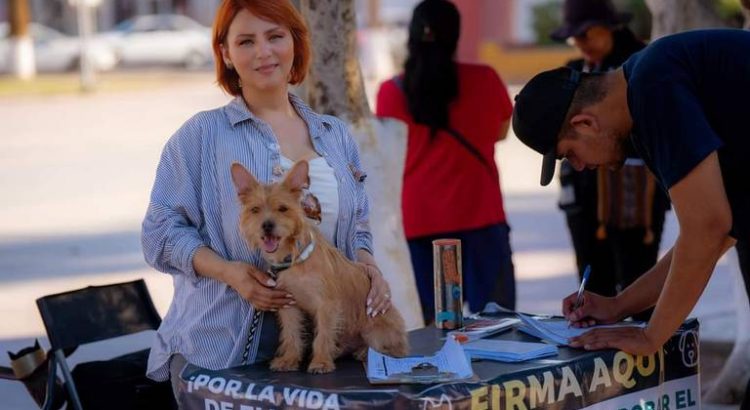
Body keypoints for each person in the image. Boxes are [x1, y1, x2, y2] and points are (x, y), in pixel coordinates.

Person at [141, 0, 392, 395]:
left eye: (275, 36)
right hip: (225, 352)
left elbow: (356, 224)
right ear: (225, 52)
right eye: (245, 41)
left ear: (295, 41)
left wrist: (368, 267)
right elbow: (159, 234)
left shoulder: (335, 134)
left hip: (331, 353)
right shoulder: (201, 136)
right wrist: (230, 272)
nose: (263, 52)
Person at [512, 29, 750, 406]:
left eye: (570, 154)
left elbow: (707, 229)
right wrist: (619, 306)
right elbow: (714, 231)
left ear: (585, 124)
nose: (580, 166)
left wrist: (651, 335)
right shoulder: (646, 93)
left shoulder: (654, 88)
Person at [376, 0, 515, 324]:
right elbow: (501, 133)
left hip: (420, 223)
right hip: (481, 218)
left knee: (428, 332)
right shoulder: (485, 79)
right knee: (497, 325)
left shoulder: (390, 92)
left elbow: (388, 155)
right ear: (455, 36)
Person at [550, 0, 669, 321]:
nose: (581, 44)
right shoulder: (573, 72)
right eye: (575, 38)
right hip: (585, 204)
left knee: (638, 281)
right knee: (592, 286)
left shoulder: (640, 66)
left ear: (610, 27)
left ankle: (645, 353)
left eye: (586, 34)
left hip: (634, 201)